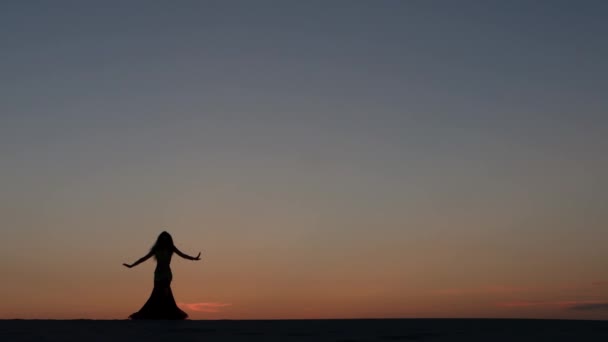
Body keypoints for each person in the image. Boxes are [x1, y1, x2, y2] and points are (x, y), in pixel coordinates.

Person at [123, 231, 201, 319]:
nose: (165, 239)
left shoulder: (171, 248)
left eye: (166, 237)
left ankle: (169, 314)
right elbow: (144, 258)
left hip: (167, 273)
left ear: (168, 239)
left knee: (165, 291)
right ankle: (156, 314)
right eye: (163, 237)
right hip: (158, 274)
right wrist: (131, 265)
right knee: (156, 294)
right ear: (160, 239)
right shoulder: (156, 249)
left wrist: (194, 258)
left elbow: (182, 255)